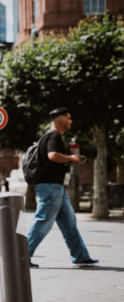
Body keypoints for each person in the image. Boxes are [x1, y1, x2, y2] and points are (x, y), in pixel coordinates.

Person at [27, 107, 98, 267]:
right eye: (69, 118)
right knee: (43, 221)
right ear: (61, 120)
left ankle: (80, 256)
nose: (71, 121)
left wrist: (67, 160)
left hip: (55, 187)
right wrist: (72, 157)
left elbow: (51, 159)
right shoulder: (54, 136)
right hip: (50, 187)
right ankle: (22, 256)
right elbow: (52, 156)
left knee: (69, 221)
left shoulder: (49, 136)